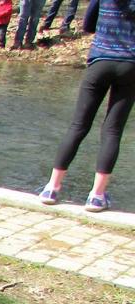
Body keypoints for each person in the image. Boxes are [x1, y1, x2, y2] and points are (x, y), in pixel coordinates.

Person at [37, 0, 135, 212]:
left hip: (100, 62)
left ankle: (52, 188)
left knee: (78, 126)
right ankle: (97, 196)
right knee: (112, 131)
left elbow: (88, 25)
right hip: (131, 65)